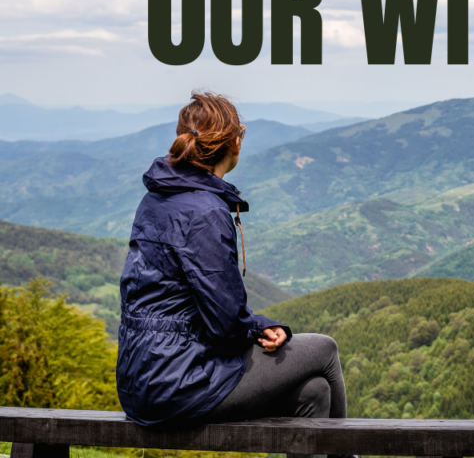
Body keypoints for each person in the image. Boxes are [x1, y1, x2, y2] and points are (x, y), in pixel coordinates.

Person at [116, 92, 351, 458]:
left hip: (141, 380)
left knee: (314, 392)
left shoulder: (160, 197)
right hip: (178, 383)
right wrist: (253, 326)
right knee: (324, 348)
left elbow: (191, 303)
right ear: (235, 142)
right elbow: (225, 328)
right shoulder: (205, 211)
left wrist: (255, 325)